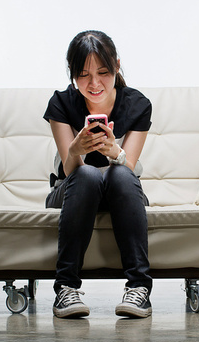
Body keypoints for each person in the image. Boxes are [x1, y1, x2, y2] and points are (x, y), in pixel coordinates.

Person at [43, 30, 153, 319]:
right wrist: (76, 150)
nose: (94, 84)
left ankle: (139, 288)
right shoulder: (61, 104)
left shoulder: (137, 105)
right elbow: (69, 172)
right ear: (72, 74)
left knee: (118, 174)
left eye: (103, 72)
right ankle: (66, 288)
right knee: (88, 175)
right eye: (83, 74)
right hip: (73, 189)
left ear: (117, 66)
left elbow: (128, 171)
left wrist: (114, 151)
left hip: (121, 189)